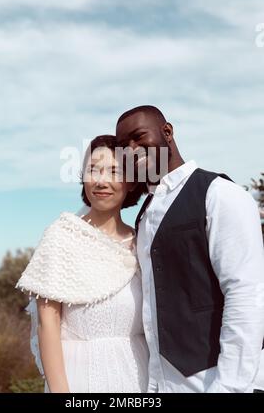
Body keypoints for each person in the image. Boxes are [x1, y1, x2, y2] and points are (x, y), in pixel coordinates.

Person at [116, 105, 264, 393]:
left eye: (138, 136)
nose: (131, 149)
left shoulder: (219, 193)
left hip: (216, 381)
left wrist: (230, 386)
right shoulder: (144, 215)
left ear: (167, 132)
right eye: (123, 145)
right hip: (162, 383)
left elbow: (246, 294)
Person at [16, 135, 149, 393]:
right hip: (80, 378)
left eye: (114, 171)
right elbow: (48, 322)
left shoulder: (142, 242)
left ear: (132, 182)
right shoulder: (62, 235)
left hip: (137, 375)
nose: (101, 181)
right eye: (93, 170)